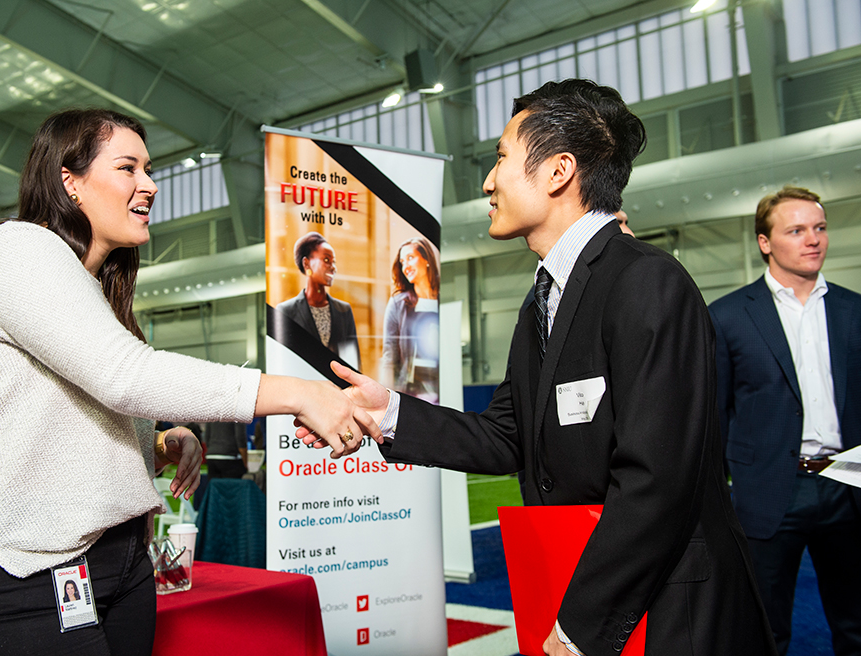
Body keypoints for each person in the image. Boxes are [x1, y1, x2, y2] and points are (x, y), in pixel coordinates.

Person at [307, 79, 776, 655]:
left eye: (501, 157)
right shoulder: (543, 299)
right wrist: (390, 412)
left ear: (558, 172)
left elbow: (656, 481)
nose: (487, 180)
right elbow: (508, 434)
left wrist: (579, 625)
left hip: (667, 612)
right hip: (586, 588)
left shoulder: (647, 283)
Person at [0, 108, 377, 656]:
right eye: (128, 168)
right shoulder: (15, 249)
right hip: (18, 574)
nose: (151, 185)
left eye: (148, 169)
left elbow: (65, 423)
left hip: (119, 564)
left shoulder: (91, 288)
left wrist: (155, 445)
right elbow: (124, 375)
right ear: (70, 181)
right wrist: (299, 391)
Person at [708, 186, 861, 656]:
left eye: (819, 228)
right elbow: (715, 414)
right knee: (763, 631)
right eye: (795, 230)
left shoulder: (854, 310)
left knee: (856, 627)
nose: (812, 239)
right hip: (770, 491)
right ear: (765, 242)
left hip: (848, 487)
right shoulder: (727, 316)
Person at [278, 232, 360, 369]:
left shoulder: (344, 310)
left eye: (334, 262)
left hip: (338, 388)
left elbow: (353, 362)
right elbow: (285, 362)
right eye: (327, 260)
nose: (333, 267)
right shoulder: (286, 311)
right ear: (306, 263)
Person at [381, 238, 440, 402]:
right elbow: (389, 356)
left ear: (426, 259)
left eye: (410, 258)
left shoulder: (443, 302)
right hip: (409, 396)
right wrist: (387, 401)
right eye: (402, 262)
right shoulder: (398, 304)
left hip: (441, 396)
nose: (405, 266)